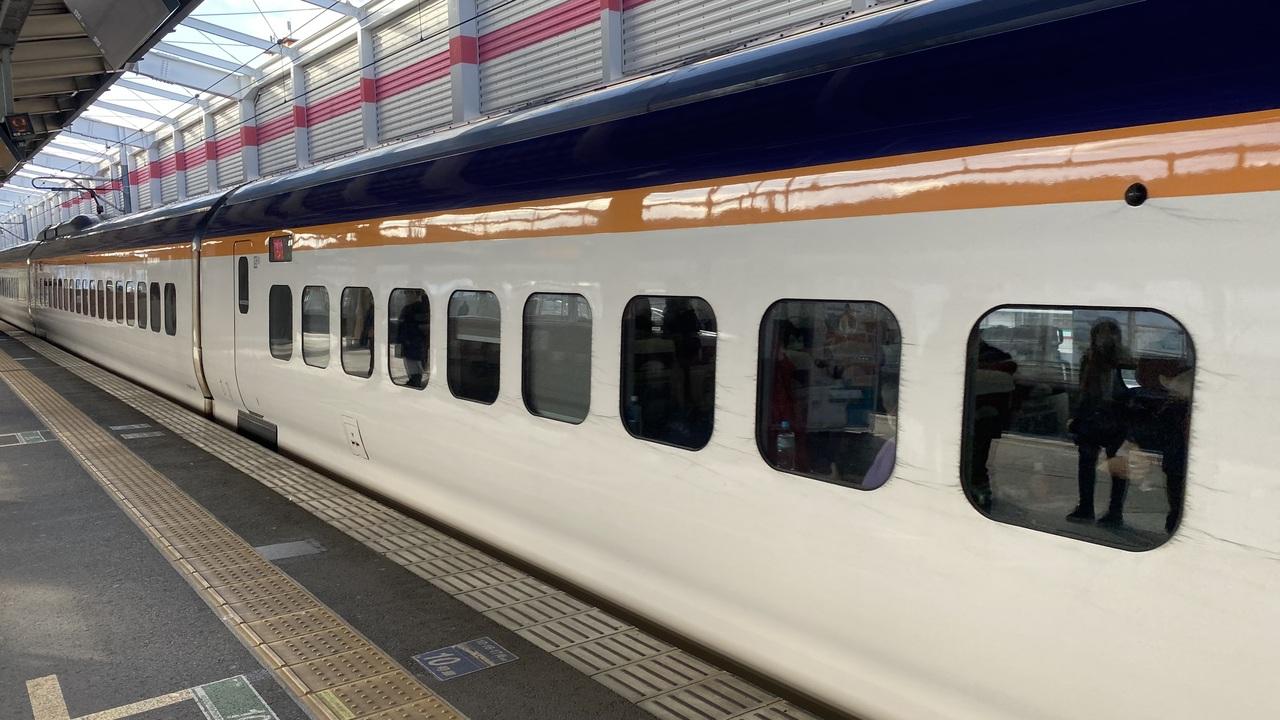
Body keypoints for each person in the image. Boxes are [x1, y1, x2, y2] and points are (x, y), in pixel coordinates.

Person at [1067, 318, 1134, 527]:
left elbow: (1083, 391)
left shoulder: (1092, 359)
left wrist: (1076, 416)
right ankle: (1111, 511)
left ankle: (1090, 508)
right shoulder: (1122, 359)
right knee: (1113, 465)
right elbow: (1131, 390)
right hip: (1110, 416)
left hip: (1101, 416)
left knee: (1091, 463)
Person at [967, 338, 1019, 510]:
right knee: (978, 463)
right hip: (985, 420)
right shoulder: (998, 358)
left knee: (976, 463)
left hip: (980, 421)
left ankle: (981, 498)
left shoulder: (987, 358)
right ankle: (983, 497)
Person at [396, 296, 429, 387]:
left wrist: (401, 340)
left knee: (413, 364)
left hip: (411, 343)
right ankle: (415, 380)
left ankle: (415, 381)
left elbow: (403, 327)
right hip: (417, 343)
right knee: (416, 364)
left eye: (406, 293)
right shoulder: (424, 308)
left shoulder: (410, 309)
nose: (405, 295)